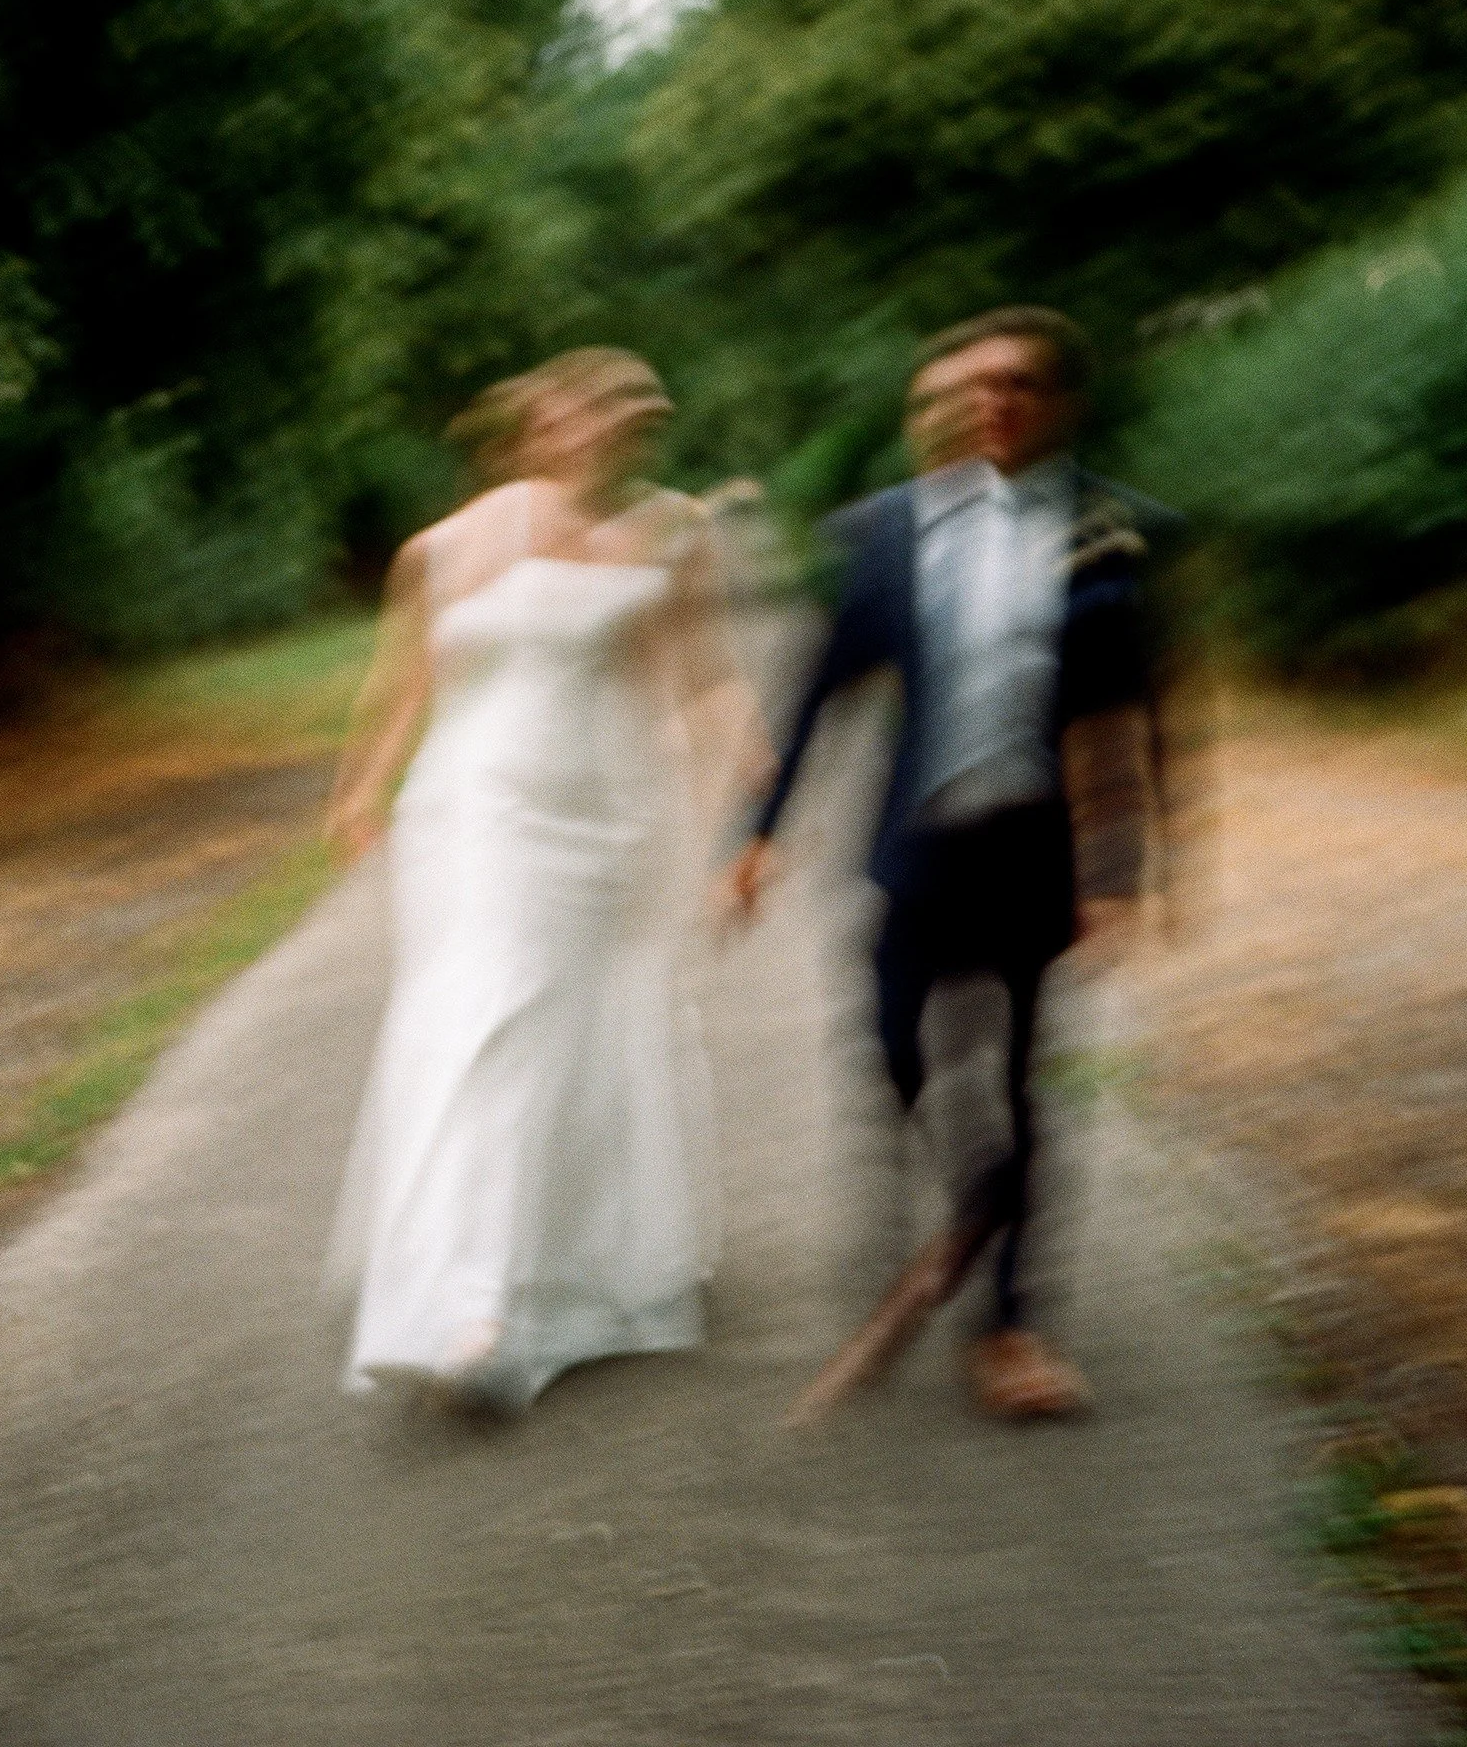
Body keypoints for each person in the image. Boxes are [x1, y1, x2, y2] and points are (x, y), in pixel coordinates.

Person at [731, 308, 1180, 1420]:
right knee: (891, 1051)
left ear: (1058, 402)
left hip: (1034, 853)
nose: (996, 400)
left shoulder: (1109, 531)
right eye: (975, 385)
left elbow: (1140, 712)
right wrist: (758, 830)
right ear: (942, 408)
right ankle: (977, 1195)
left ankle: (1014, 1327)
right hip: (914, 855)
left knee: (1024, 1074)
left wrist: (1122, 868)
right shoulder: (884, 531)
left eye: (1021, 382)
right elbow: (817, 688)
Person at [323, 348, 766, 1408]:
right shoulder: (453, 540)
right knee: (493, 1015)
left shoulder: (674, 530)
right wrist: (360, 790)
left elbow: (706, 673)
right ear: (538, 423)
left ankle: (584, 1255)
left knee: (595, 1023)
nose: (600, 431)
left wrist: (756, 790)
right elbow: (402, 680)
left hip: (617, 812)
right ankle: (468, 1299)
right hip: (480, 811)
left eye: (625, 415)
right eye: (579, 412)